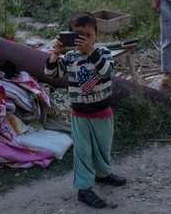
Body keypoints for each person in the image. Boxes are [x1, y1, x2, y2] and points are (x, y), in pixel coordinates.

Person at [44, 12, 126, 209]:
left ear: (96, 35)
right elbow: (50, 73)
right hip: (80, 115)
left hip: (102, 112)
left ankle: (103, 174)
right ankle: (84, 189)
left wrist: (91, 52)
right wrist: (57, 51)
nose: (85, 40)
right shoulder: (70, 57)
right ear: (71, 37)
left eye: (88, 35)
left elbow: (106, 71)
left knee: (103, 148)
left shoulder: (103, 53)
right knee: (83, 151)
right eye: (79, 36)